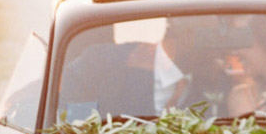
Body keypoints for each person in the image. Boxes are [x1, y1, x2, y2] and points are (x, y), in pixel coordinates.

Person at [58, 17, 198, 117]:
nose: (212, 44)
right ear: (186, 34)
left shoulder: (213, 76)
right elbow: (76, 123)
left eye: (217, 34)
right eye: (204, 33)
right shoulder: (100, 61)